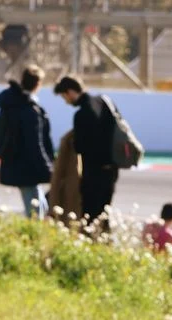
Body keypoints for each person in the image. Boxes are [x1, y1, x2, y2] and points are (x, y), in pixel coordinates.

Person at [53, 76, 116, 231]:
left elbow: (80, 147)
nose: (66, 101)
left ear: (70, 92)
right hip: (112, 169)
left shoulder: (82, 114)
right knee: (104, 213)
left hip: (93, 172)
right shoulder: (103, 101)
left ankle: (92, 243)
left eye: (64, 96)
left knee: (90, 215)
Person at [0, 66, 54, 220]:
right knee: (35, 210)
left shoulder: (12, 105)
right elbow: (35, 144)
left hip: (15, 162)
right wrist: (48, 167)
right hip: (28, 166)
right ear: (38, 84)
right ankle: (34, 237)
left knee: (40, 205)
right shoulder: (28, 109)